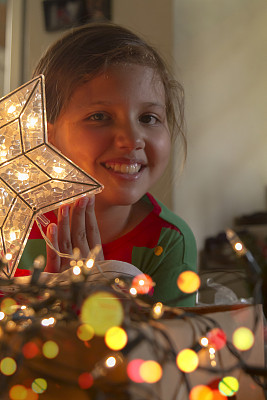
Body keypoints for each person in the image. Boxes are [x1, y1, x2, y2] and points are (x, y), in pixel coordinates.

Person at [17, 22, 197, 307]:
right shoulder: (13, 232)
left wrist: (102, 304)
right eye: (100, 116)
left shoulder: (167, 241)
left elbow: (173, 349)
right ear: (47, 137)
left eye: (148, 118)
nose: (131, 139)